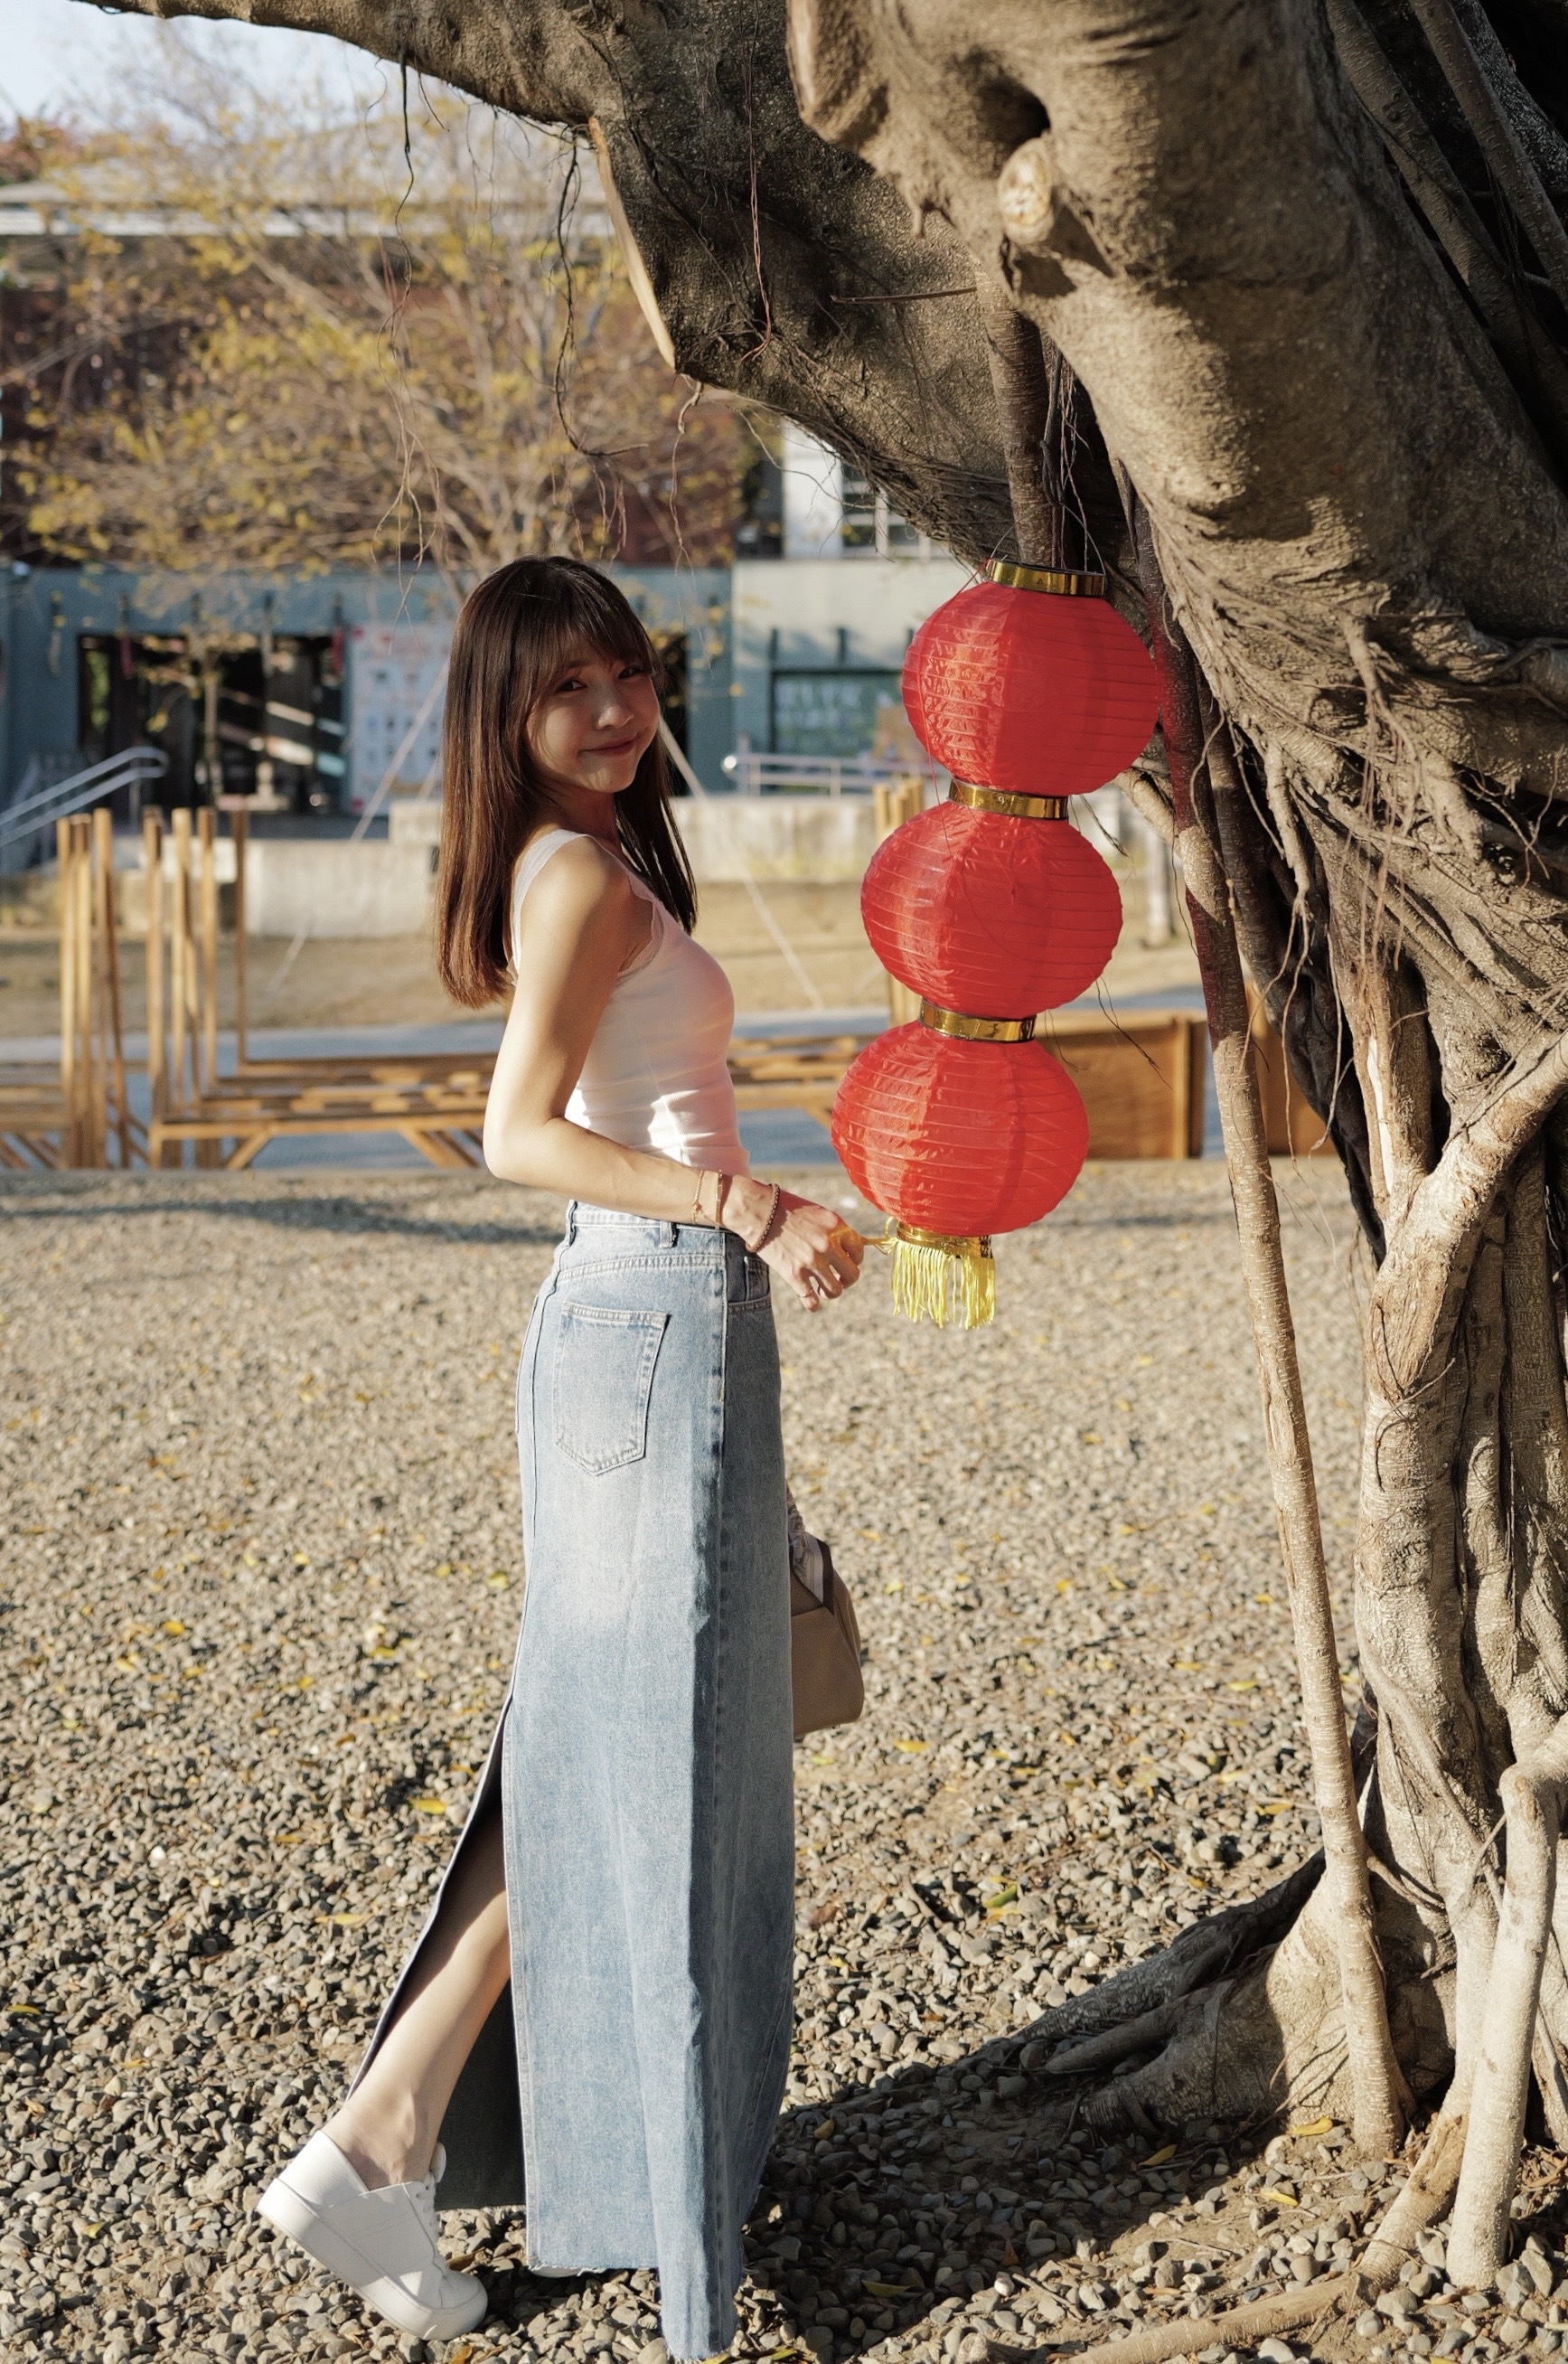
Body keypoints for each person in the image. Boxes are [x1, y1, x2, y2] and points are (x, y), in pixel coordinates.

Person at [258, 557, 864, 2357]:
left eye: (628, 674)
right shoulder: (578, 874)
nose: (613, 712)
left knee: (603, 1767)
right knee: (632, 1775)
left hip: (658, 1321)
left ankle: (380, 2147)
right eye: (568, 691)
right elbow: (515, 1134)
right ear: (505, 717)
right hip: (653, 1310)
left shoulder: (591, 860)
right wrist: (748, 1206)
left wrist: (745, 1222)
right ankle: (517, 2196)